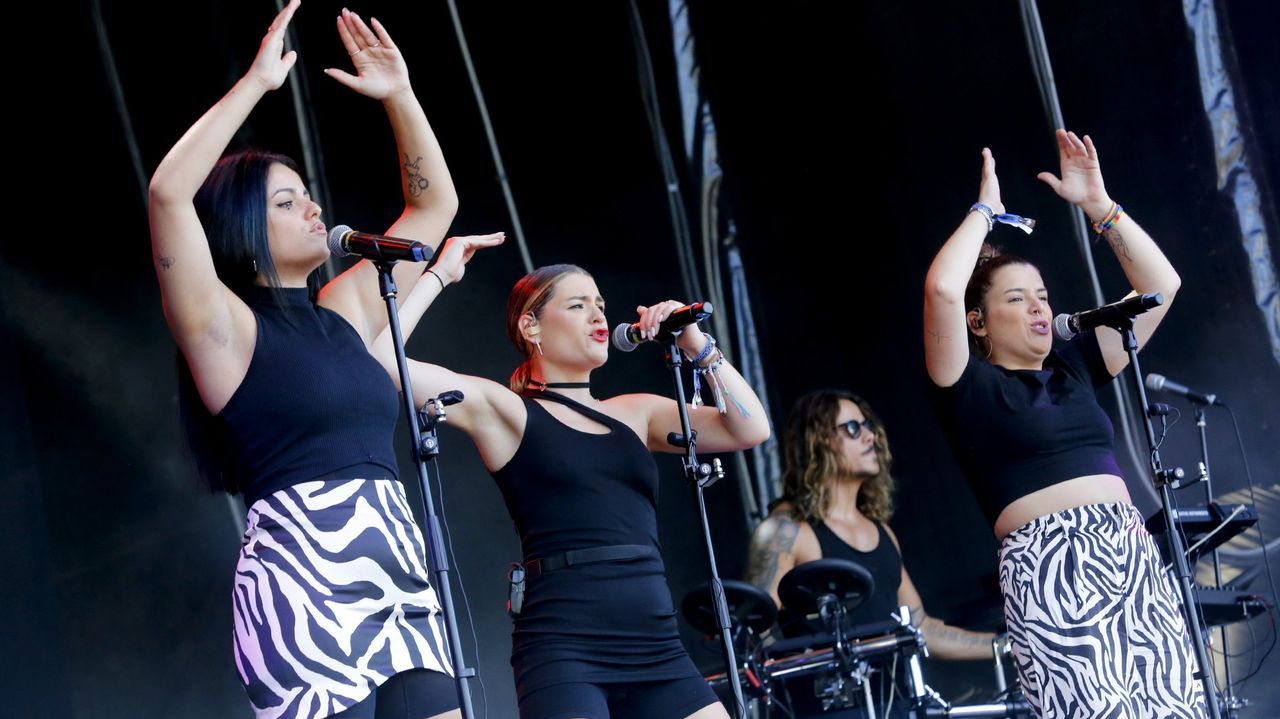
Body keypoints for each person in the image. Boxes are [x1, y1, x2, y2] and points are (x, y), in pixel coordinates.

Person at [148, 4, 500, 717]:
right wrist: (254, 86)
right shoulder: (224, 327)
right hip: (300, 587)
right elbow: (166, 194)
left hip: (396, 574)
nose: (314, 210)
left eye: (309, 195)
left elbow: (433, 211)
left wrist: (400, 94)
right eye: (287, 201)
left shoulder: (340, 311)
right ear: (243, 230)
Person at [373, 263, 772, 719]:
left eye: (600, 305)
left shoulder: (635, 413)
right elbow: (385, 358)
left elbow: (749, 428)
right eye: (578, 305)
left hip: (655, 642)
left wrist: (694, 341)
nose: (598, 317)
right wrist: (439, 275)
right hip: (565, 646)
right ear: (531, 325)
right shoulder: (509, 412)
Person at [922, 129, 1204, 717]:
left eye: (1044, 297)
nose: (1039, 309)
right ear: (978, 322)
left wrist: (1100, 205)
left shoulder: (1075, 366)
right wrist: (985, 214)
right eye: (1018, 299)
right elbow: (942, 288)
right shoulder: (966, 387)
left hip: (1128, 553)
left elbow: (1161, 288)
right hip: (1048, 567)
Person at [746, 390, 998, 659]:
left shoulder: (882, 532)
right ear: (817, 441)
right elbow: (756, 627)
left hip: (895, 698)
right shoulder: (789, 529)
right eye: (853, 428)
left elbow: (920, 626)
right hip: (834, 699)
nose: (871, 437)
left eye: (868, 426)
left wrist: (1005, 645)